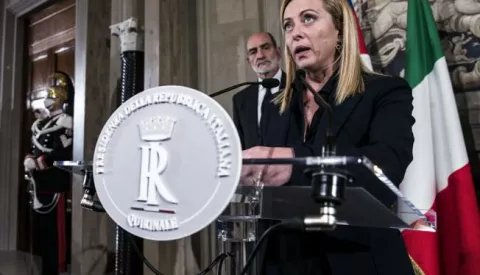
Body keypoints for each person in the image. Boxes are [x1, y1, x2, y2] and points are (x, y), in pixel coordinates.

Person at [240, 0, 417, 274]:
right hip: (285, 261)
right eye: (288, 25)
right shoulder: (276, 105)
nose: (295, 32)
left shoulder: (385, 92)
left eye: (308, 19)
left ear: (340, 30)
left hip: (357, 258)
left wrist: (294, 164)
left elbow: (386, 168)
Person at [232, 32, 286, 149]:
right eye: (253, 52)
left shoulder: (297, 87)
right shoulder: (240, 100)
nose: (260, 55)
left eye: (266, 48)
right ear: (249, 61)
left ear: (278, 52)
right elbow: (240, 147)